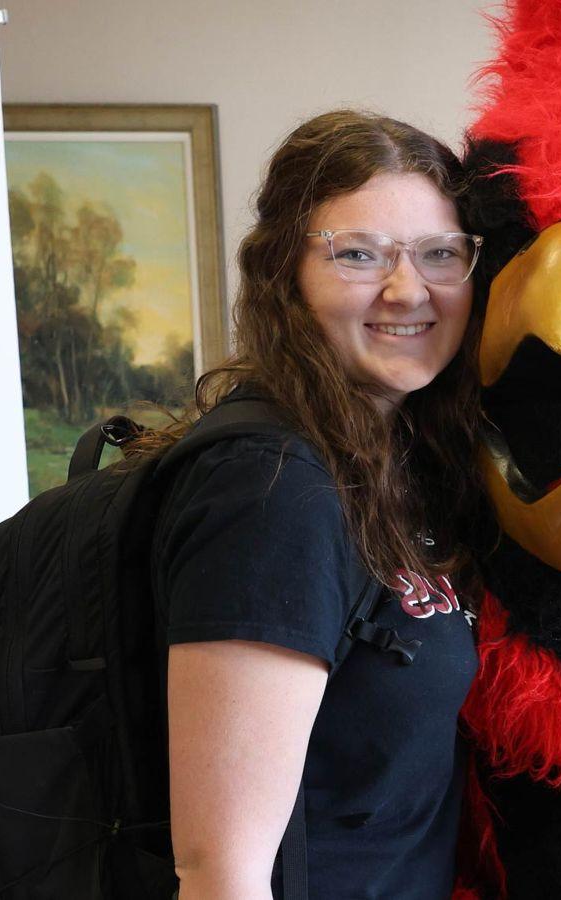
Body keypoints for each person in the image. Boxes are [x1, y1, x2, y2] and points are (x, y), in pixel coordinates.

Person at [148, 110, 483, 899]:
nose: (408, 289)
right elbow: (219, 871)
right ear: (283, 275)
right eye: (359, 255)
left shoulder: (394, 466)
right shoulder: (273, 490)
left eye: (440, 254)